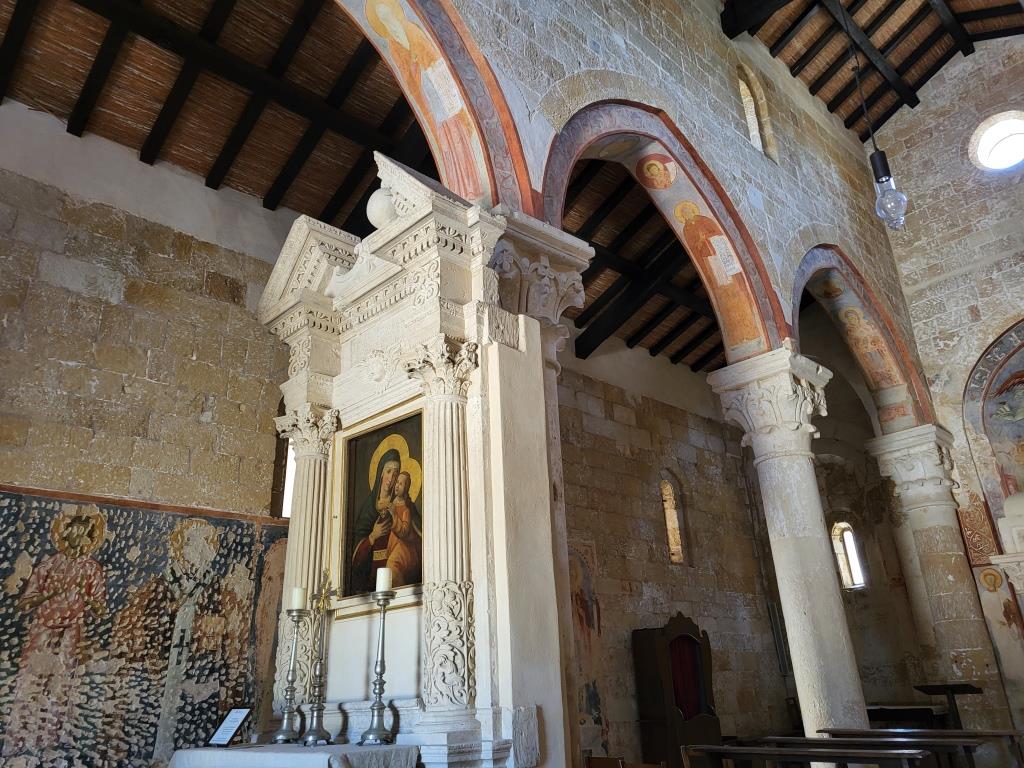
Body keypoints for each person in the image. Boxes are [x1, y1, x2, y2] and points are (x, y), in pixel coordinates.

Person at [4, 505, 107, 757]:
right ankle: (20, 741)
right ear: (65, 534)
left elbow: (100, 610)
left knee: (60, 688)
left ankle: (49, 744)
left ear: (90, 539)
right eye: (74, 531)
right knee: (31, 683)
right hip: (42, 631)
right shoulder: (48, 565)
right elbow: (24, 604)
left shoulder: (92, 569)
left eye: (84, 534)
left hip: (71, 634)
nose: (77, 538)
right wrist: (49, 594)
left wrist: (85, 595)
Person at [350, 449, 402, 594]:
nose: (391, 478)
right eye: (388, 471)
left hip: (393, 571)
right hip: (369, 575)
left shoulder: (398, 505)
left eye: (396, 474)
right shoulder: (368, 507)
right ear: (381, 473)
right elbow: (355, 557)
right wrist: (373, 536)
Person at [385, 471, 422, 586]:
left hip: (405, 547)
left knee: (392, 565)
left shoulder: (407, 509)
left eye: (401, 484)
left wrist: (394, 515)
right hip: (393, 544)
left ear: (406, 488)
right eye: (397, 482)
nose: (397, 485)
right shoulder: (391, 503)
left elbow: (404, 532)